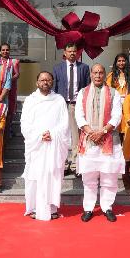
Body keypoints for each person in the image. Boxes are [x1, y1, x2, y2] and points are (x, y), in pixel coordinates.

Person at [76, 64, 125, 222]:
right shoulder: (82, 92)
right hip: (89, 140)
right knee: (89, 177)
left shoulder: (114, 92)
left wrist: (102, 132)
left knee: (109, 176)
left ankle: (107, 207)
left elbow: (117, 115)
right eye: (95, 72)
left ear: (105, 75)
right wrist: (91, 132)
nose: (98, 75)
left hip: (108, 139)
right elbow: (79, 116)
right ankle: (89, 208)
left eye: (101, 73)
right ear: (90, 74)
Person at [21, 71, 70, 221]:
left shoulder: (59, 100)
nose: (45, 82)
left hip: (53, 146)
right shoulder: (30, 100)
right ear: (37, 83)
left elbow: (65, 123)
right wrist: (40, 135)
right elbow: (25, 123)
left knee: (52, 175)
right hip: (36, 146)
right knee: (35, 176)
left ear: (52, 82)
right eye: (42, 80)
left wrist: (52, 134)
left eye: (48, 80)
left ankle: (52, 208)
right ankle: (36, 208)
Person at [52, 43, 89, 173]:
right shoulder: (57, 68)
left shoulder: (84, 68)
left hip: (76, 105)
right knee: (62, 135)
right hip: (62, 105)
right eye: (69, 51)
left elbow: (86, 88)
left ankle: (74, 164)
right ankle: (63, 163)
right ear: (65, 52)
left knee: (75, 135)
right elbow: (54, 89)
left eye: (74, 51)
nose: (72, 53)